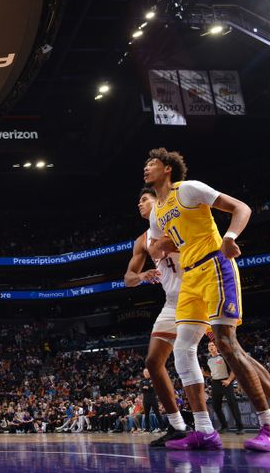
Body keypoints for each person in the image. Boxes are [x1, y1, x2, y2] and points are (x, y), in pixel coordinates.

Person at [144, 148, 270, 451]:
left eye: (152, 163)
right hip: (190, 278)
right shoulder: (157, 211)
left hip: (215, 265)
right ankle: (204, 430)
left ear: (168, 169)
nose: (146, 168)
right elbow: (164, 245)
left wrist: (230, 237)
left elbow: (241, 208)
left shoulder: (188, 189)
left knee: (226, 343)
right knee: (183, 349)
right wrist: (155, 246)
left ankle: (267, 424)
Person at [123, 187, 188, 446]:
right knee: (152, 361)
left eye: (145, 199)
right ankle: (177, 425)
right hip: (172, 302)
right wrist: (141, 276)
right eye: (138, 200)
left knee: (230, 352)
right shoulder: (141, 240)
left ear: (157, 201)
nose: (140, 203)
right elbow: (127, 279)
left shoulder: (174, 220)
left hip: (196, 294)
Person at [206, 341, 244, 434]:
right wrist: (203, 373)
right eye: (209, 346)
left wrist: (229, 380)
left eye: (212, 345)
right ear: (208, 349)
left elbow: (233, 369)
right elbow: (210, 373)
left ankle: (240, 428)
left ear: (216, 347)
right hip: (215, 383)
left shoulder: (223, 356)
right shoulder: (207, 359)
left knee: (232, 404)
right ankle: (224, 426)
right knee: (216, 406)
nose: (211, 347)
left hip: (226, 382)